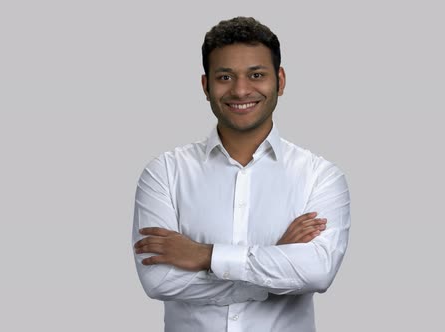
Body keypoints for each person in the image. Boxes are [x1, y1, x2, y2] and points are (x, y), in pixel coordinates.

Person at [132, 16, 350, 332]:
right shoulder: (164, 172)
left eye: (256, 74)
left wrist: (205, 256)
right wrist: (275, 266)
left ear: (281, 80)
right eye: (225, 77)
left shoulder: (321, 176)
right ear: (206, 86)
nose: (241, 89)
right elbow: (159, 281)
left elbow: (317, 272)